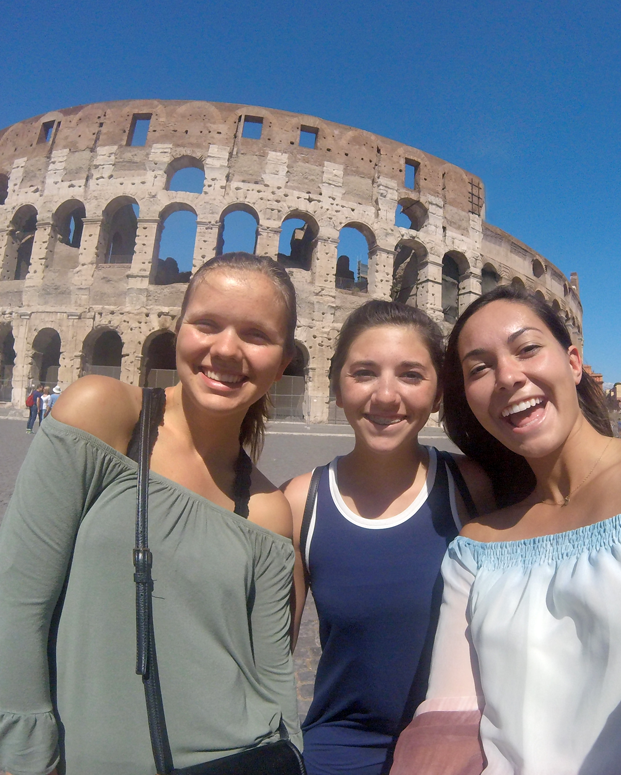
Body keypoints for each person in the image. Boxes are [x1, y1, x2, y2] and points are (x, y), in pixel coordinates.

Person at [0, 253, 302, 775]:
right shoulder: (103, 414)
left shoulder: (268, 509)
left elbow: (273, 672)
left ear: (281, 363)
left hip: (239, 757)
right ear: (177, 331)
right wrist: (25, 754)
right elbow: (18, 602)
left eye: (256, 335)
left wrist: (290, 752)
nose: (226, 349)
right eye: (207, 324)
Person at [391, 285, 621, 775]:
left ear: (575, 363)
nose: (507, 377)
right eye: (479, 368)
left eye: (527, 348)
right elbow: (446, 733)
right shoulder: (475, 548)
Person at [282, 300, 494, 775]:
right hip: (341, 751)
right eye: (364, 372)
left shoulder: (472, 487)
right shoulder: (300, 502)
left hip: (462, 752)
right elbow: (271, 660)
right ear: (337, 385)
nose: (385, 395)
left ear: (439, 393)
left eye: (411, 375)